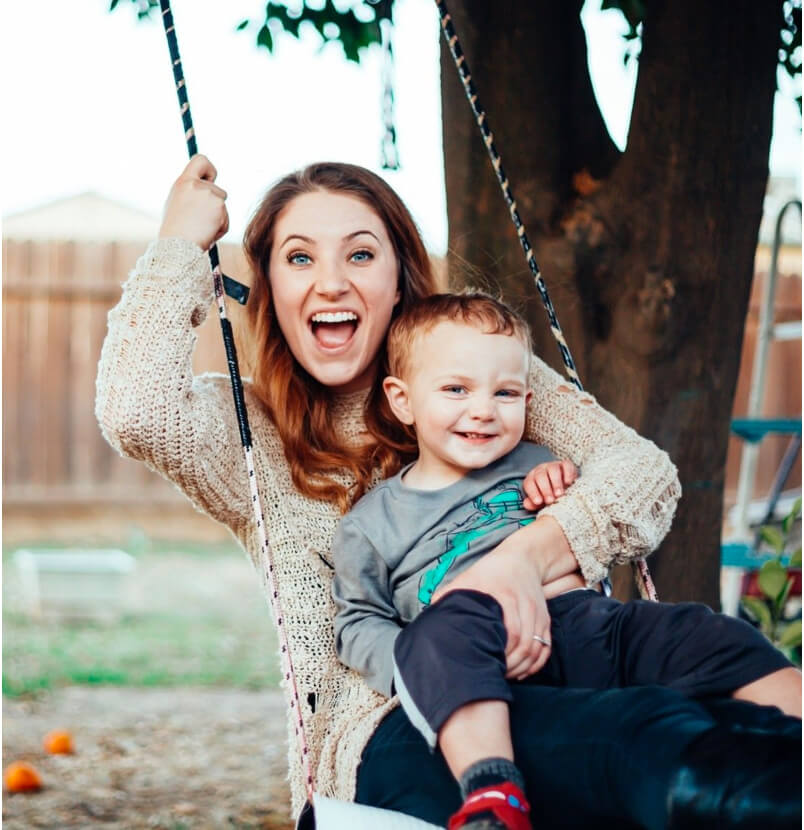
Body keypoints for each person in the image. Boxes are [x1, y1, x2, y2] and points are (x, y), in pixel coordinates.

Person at [96, 155, 801, 830]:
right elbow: (135, 409)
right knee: (632, 736)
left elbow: (641, 474)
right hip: (394, 730)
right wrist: (179, 248)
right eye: (300, 257)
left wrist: (522, 560)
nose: (332, 282)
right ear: (272, 288)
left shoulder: (475, 375)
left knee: (709, 693)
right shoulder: (249, 435)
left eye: (361, 254)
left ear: (401, 278)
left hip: (565, 656)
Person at [331, 291, 801, 830]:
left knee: (702, 631)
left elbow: (600, 512)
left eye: (504, 392)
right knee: (442, 628)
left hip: (590, 623)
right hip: (480, 644)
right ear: (402, 399)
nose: (483, 409)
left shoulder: (535, 464)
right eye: (456, 389)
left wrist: (564, 489)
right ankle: (492, 791)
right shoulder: (371, 523)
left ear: (527, 401)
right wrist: (422, 666)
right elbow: (358, 621)